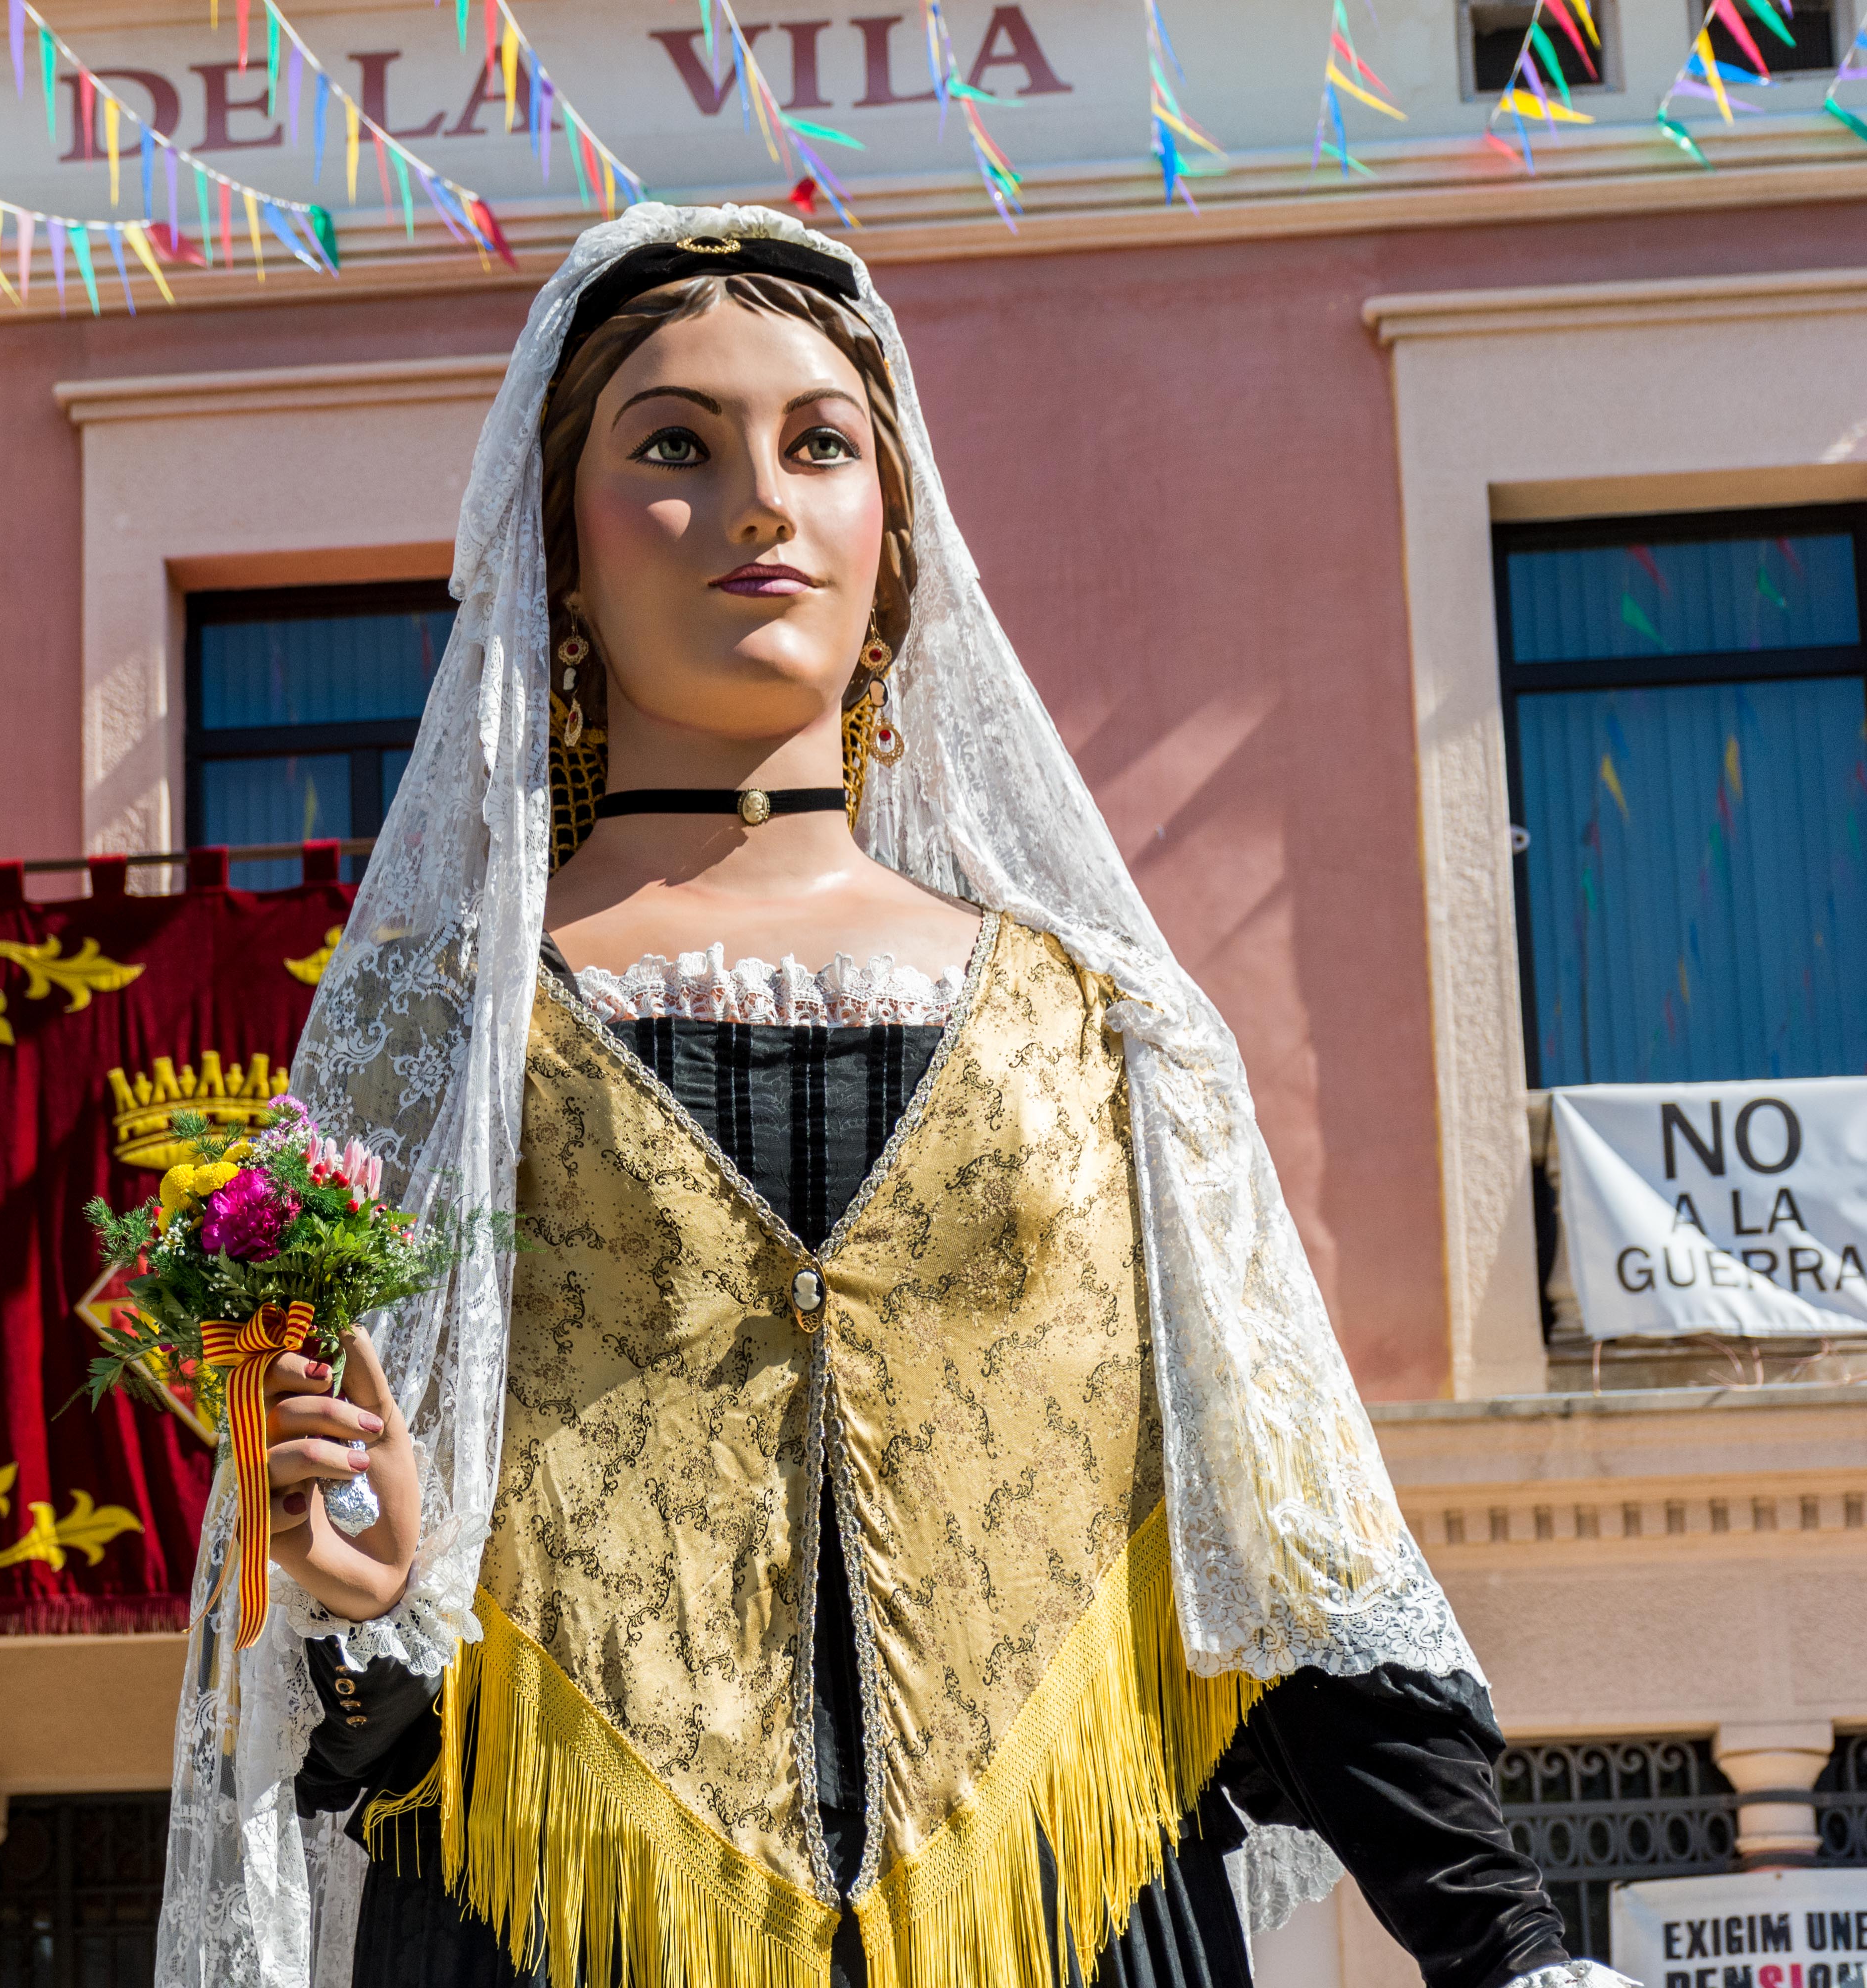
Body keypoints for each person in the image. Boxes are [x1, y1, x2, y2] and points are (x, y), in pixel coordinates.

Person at [153, 205, 1626, 1988]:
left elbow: (1287, 1542)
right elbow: (335, 1710)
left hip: (1064, 1920)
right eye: (677, 448)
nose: (760, 502)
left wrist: (1509, 1951)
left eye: (821, 445)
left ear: (892, 537)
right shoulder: (442, 1037)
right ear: (561, 549)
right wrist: (369, 1614)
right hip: (564, 1924)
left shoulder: (1107, 1024)